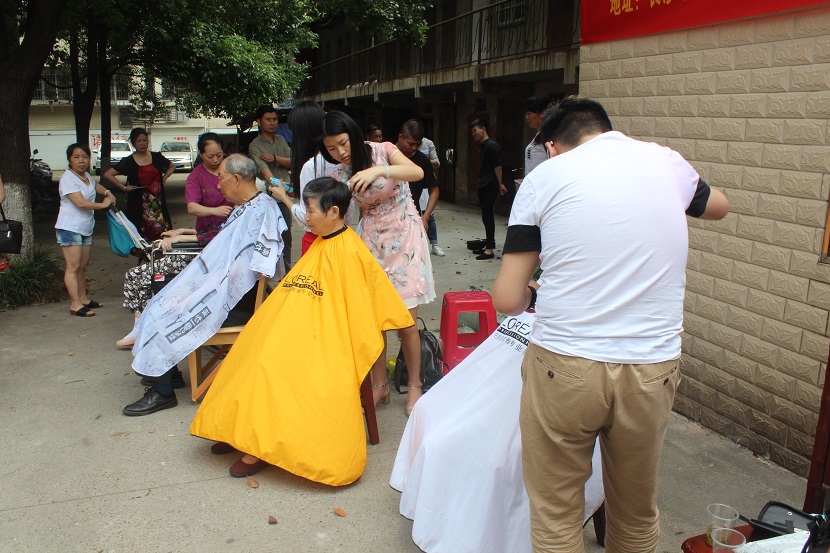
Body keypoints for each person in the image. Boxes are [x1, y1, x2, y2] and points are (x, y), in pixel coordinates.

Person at [492, 97, 729, 553]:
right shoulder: (666, 162)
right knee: (636, 515)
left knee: (556, 515)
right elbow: (719, 205)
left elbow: (507, 298)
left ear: (552, 146)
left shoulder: (545, 178)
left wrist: (533, 292)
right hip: (651, 368)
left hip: (564, 365)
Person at [192, 177, 413, 480]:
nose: (305, 216)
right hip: (297, 327)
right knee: (249, 352)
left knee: (274, 367)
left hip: (327, 338)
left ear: (333, 212)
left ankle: (261, 446)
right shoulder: (322, 243)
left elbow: (360, 312)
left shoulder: (351, 252)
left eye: (310, 210)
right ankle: (241, 433)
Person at [391, 310, 604, 553]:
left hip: (570, 352)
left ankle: (475, 529)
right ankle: (448, 517)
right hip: (554, 338)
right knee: (436, 422)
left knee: (467, 448)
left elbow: (506, 300)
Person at [123, 154, 286, 417]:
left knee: (165, 311)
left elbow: (244, 269)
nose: (218, 185)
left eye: (221, 178)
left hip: (236, 302)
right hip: (224, 290)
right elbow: (222, 242)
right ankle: (167, 373)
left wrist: (197, 294)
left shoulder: (260, 211)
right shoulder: (249, 206)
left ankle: (163, 392)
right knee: (160, 300)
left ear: (236, 178)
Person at [321, 111, 433, 415]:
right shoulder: (340, 174)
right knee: (374, 320)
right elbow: (340, 214)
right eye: (331, 148)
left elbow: (416, 172)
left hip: (405, 235)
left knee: (406, 320)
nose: (340, 152)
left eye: (343, 143)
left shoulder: (383, 150)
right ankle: (380, 383)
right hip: (371, 241)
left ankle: (414, 385)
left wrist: (379, 171)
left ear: (353, 134)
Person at [265, 100, 352, 256]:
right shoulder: (342, 160)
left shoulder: (311, 166)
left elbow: (306, 217)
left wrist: (283, 196)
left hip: (317, 241)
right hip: (344, 238)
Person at [54, 143, 115, 317]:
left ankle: (83, 299)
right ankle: (75, 304)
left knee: (82, 266)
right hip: (69, 227)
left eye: (84, 157)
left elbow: (95, 186)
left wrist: (108, 192)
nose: (81, 161)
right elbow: (80, 203)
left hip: (85, 227)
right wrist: (103, 204)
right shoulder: (68, 178)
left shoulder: (85, 176)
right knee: (73, 266)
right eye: (76, 157)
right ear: (69, 160)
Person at [102, 128, 174, 241]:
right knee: (141, 235)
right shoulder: (128, 161)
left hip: (158, 204)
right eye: (138, 141)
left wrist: (163, 179)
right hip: (139, 204)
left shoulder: (156, 157)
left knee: (163, 234)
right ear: (133, 143)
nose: (142, 143)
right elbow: (108, 174)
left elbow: (171, 166)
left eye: (144, 140)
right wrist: (124, 187)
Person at [247, 105, 293, 267]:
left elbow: (292, 162)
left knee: (286, 236)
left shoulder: (281, 139)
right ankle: (268, 272)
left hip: (285, 195)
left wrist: (275, 158)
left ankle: (286, 272)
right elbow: (264, 171)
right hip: (267, 196)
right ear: (259, 121)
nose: (272, 123)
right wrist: (275, 183)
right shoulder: (255, 145)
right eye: (268, 119)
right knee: (267, 237)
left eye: (275, 119)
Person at [395, 120, 440, 257]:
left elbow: (434, 191)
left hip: (411, 216)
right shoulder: (385, 155)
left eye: (418, 144)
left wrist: (425, 217)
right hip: (387, 218)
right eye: (410, 144)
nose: (414, 148)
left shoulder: (422, 160)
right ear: (400, 137)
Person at [185, 133, 233, 244]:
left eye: (219, 155)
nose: (215, 160)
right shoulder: (195, 176)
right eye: (210, 157)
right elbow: (192, 208)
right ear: (201, 155)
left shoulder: (233, 168)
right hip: (207, 231)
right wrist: (215, 211)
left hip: (232, 227)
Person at [470, 119, 506, 260]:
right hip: (484, 183)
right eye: (472, 131)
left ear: (483, 129)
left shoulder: (491, 146)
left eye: (475, 131)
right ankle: (488, 244)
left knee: (488, 216)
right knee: (486, 216)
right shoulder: (483, 146)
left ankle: (490, 249)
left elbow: (498, 167)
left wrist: (499, 184)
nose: (473, 134)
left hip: (489, 185)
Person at [418, 134, 445, 256]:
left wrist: (423, 162)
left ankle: (434, 245)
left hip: (424, 182)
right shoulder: (403, 146)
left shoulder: (428, 143)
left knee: (429, 214)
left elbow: (437, 162)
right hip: (408, 183)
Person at [523, 96, 551, 178]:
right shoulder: (539, 136)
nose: (527, 117)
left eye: (529, 113)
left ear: (543, 113)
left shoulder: (550, 137)